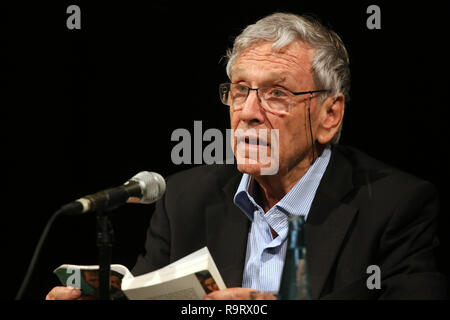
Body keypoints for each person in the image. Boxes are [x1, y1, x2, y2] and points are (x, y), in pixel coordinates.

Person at [46, 12, 445, 300]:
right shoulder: (183, 200)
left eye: (277, 93)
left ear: (330, 115)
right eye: (240, 90)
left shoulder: (394, 207)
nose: (249, 112)